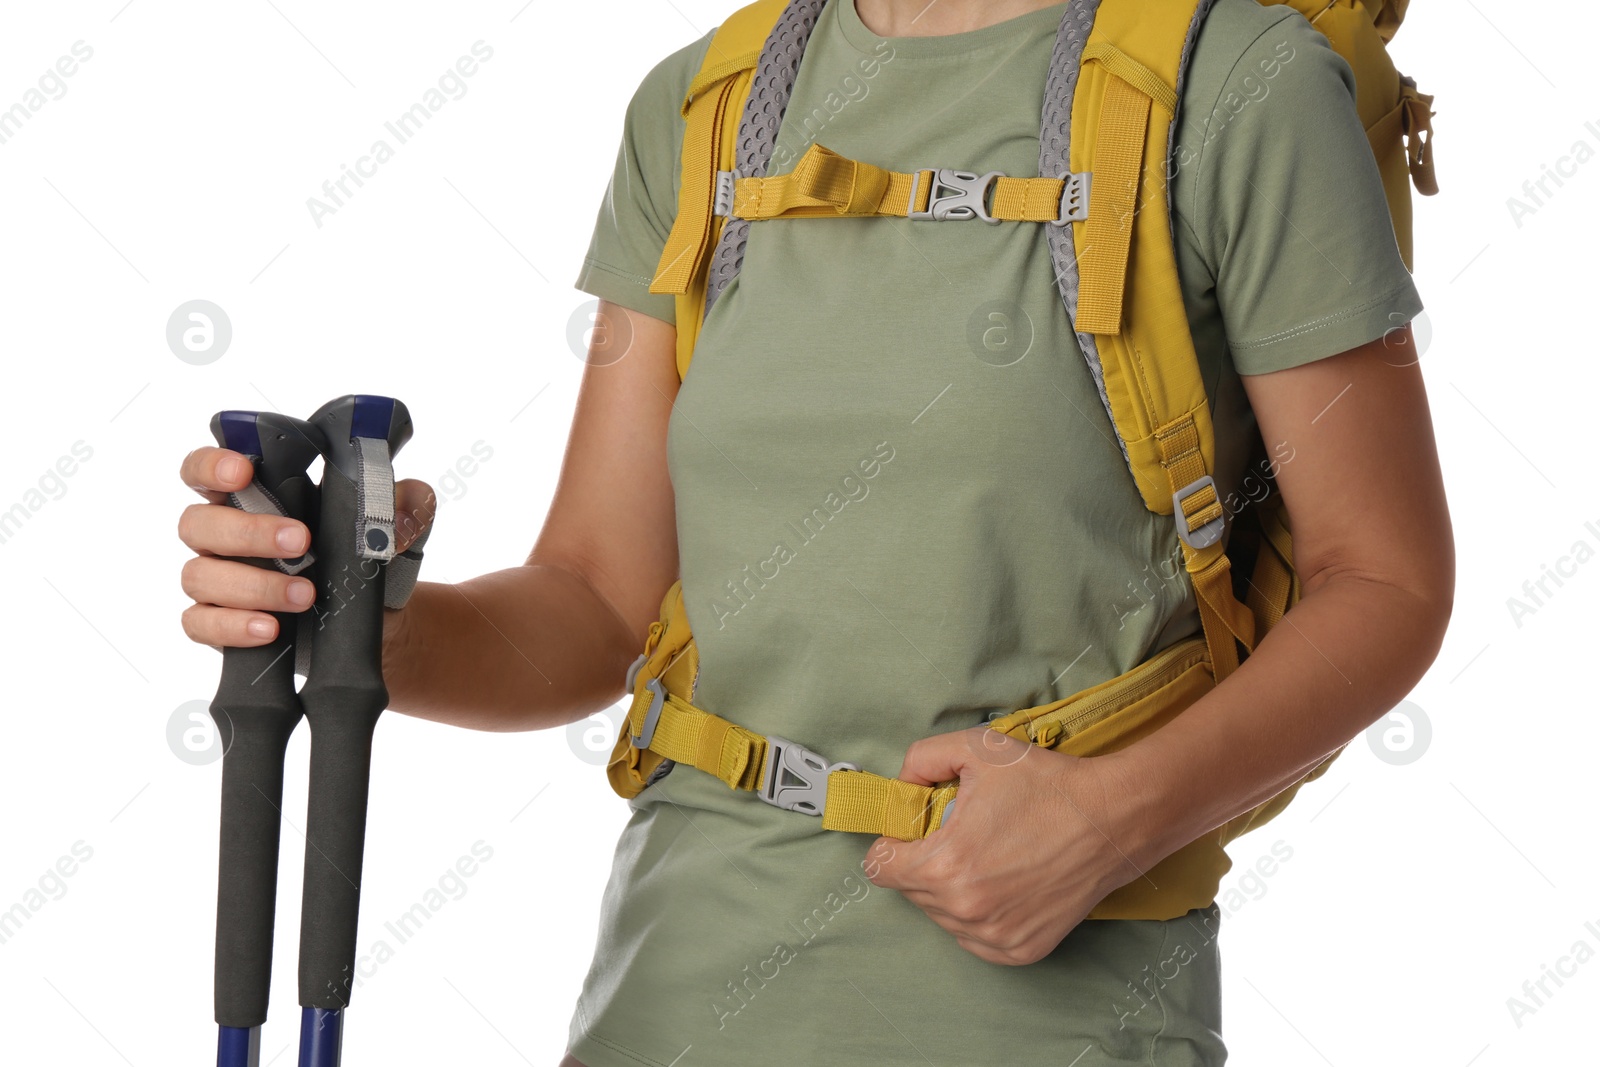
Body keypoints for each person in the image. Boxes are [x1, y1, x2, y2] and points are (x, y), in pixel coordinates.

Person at [177, 0, 1453, 1062]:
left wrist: (1113, 817)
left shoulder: (1236, 87)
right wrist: (359, 614)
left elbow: (1383, 577)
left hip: (1057, 1011)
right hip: (671, 995)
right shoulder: (704, 108)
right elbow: (595, 602)